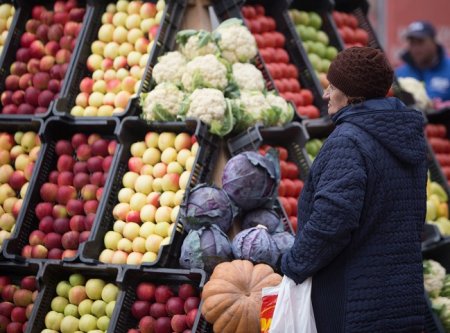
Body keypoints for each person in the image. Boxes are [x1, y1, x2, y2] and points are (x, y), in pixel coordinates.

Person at [282, 47, 428, 332]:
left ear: (352, 96)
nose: (325, 94)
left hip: (354, 305)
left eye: (333, 87)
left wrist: (292, 265)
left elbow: (331, 223)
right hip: (401, 300)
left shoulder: (348, 141)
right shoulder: (408, 138)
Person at [396, 20, 450, 101]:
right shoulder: (399, 74)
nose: (416, 48)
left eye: (420, 42)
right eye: (412, 43)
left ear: (434, 42)